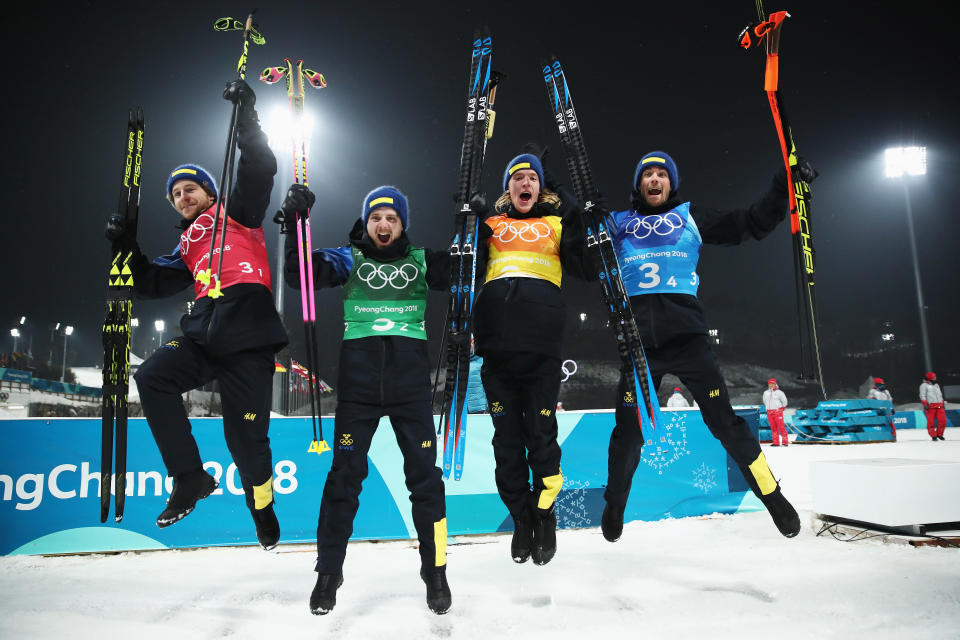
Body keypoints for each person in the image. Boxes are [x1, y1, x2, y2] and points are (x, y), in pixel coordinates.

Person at [105, 79, 286, 549]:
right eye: (177, 194)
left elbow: (261, 167)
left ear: (208, 192)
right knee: (152, 376)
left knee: (245, 444)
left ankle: (261, 504)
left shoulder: (237, 213)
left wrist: (247, 116)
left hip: (246, 330)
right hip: (205, 330)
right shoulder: (186, 244)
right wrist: (125, 246)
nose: (184, 197)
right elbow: (148, 283)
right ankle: (189, 477)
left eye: (192, 189)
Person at [601, 150, 807, 542]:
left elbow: (751, 223)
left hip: (689, 340)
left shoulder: (690, 217)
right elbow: (578, 247)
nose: (655, 180)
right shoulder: (618, 223)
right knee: (628, 433)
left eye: (662, 173)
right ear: (639, 184)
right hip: (638, 344)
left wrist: (783, 185)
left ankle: (772, 494)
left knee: (725, 425)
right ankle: (616, 503)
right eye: (648, 174)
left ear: (671, 183)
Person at [280, 185, 451, 616]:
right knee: (343, 481)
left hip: (410, 392)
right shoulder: (348, 258)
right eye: (376, 217)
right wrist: (296, 226)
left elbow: (473, 269)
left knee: (425, 482)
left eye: (392, 217)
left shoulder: (422, 260)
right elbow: (298, 276)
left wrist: (477, 222)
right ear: (367, 222)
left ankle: (435, 571)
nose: (384, 224)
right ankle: (328, 574)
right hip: (358, 393)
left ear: (402, 224)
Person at [472, 150, 585, 566]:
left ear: (542, 187)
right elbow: (461, 266)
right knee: (507, 444)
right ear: (508, 187)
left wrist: (575, 210)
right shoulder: (492, 225)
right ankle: (521, 521)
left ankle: (545, 514)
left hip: (541, 349)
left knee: (540, 437)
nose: (525, 183)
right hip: (497, 350)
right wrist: (467, 219)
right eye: (517, 177)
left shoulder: (556, 223)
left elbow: (587, 264)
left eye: (533, 178)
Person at [762, 378, 789, 447]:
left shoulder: (780, 392)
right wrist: (768, 408)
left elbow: (784, 401)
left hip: (777, 412)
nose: (771, 385)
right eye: (770, 384)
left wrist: (782, 408)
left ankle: (785, 441)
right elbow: (764, 401)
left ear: (775, 384)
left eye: (772, 384)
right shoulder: (766, 393)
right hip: (769, 412)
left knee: (781, 427)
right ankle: (776, 442)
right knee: (773, 428)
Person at [919, 372, 946, 441]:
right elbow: (922, 395)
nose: (935, 378)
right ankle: (933, 435)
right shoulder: (923, 385)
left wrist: (942, 403)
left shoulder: (936, 385)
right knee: (931, 422)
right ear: (929, 378)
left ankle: (939, 434)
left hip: (939, 406)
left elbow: (940, 395)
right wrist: (925, 404)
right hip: (930, 406)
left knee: (943, 421)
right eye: (934, 377)